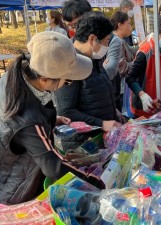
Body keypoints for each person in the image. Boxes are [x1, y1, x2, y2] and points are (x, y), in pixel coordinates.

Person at [0, 32, 93, 205]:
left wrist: (50, 119)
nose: (67, 85)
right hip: (17, 185)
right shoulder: (27, 118)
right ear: (44, 80)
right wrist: (97, 182)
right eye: (67, 81)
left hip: (4, 164)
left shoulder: (17, 76)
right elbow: (53, 167)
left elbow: (21, 126)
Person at [55, 12, 120, 151]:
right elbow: (66, 110)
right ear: (92, 39)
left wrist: (114, 112)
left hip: (102, 140)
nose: (107, 46)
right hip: (82, 144)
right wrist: (102, 123)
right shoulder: (71, 65)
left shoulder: (94, 60)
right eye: (106, 41)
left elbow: (96, 96)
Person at [126, 13, 161, 117]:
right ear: (158, 32)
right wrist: (142, 95)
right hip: (146, 108)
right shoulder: (146, 52)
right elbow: (130, 78)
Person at [104, 11, 135, 111]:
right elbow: (121, 67)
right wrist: (139, 63)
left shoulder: (120, 40)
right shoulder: (117, 41)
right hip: (121, 88)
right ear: (120, 25)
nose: (130, 26)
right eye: (128, 23)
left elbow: (131, 50)